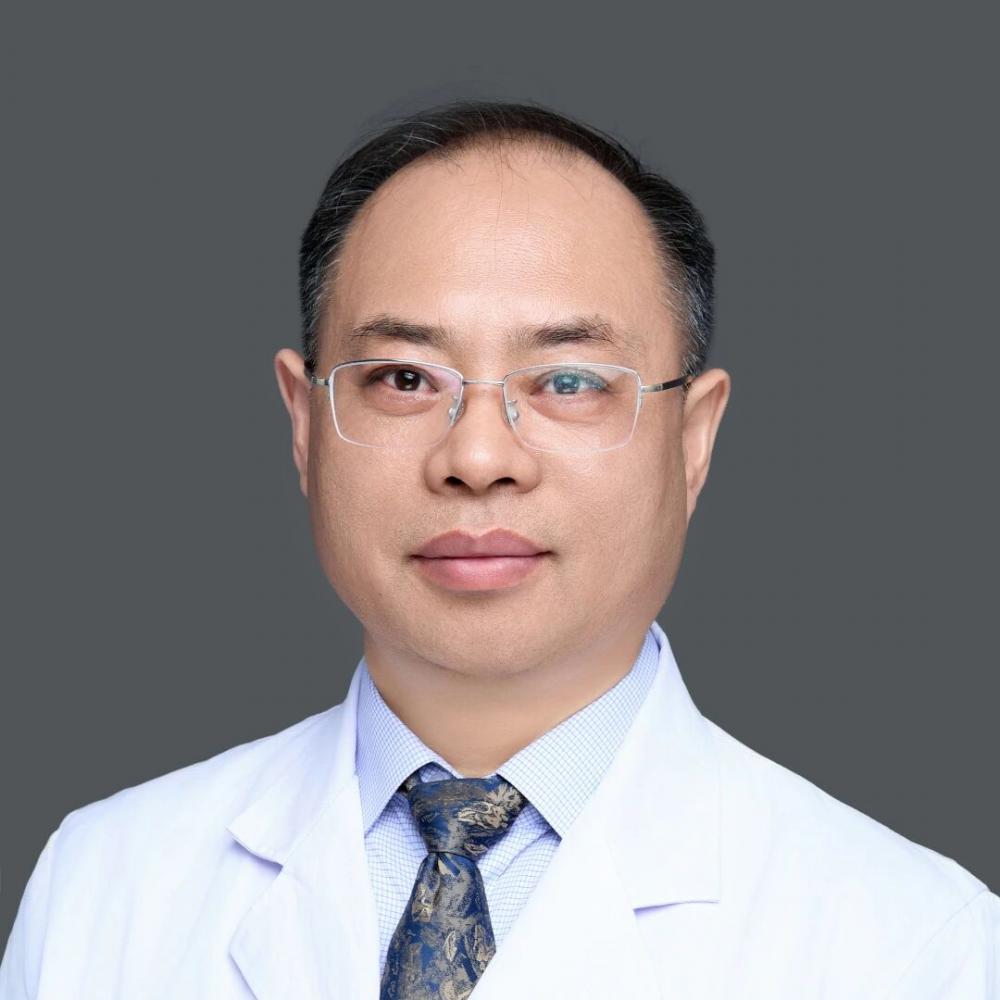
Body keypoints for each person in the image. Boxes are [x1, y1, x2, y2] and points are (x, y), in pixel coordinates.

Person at [1, 99, 996, 1000]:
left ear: (693, 440)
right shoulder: (106, 886)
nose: (478, 459)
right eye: (403, 378)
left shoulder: (914, 944)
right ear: (304, 423)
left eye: (569, 382)